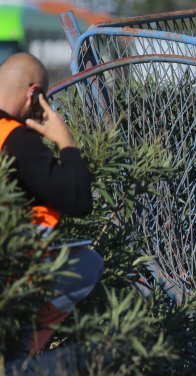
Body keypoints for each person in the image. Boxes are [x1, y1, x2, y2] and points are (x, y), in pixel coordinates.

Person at [0, 52, 102, 358]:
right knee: (88, 263)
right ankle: (17, 359)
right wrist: (65, 141)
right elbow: (77, 200)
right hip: (10, 279)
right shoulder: (16, 139)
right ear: (34, 94)